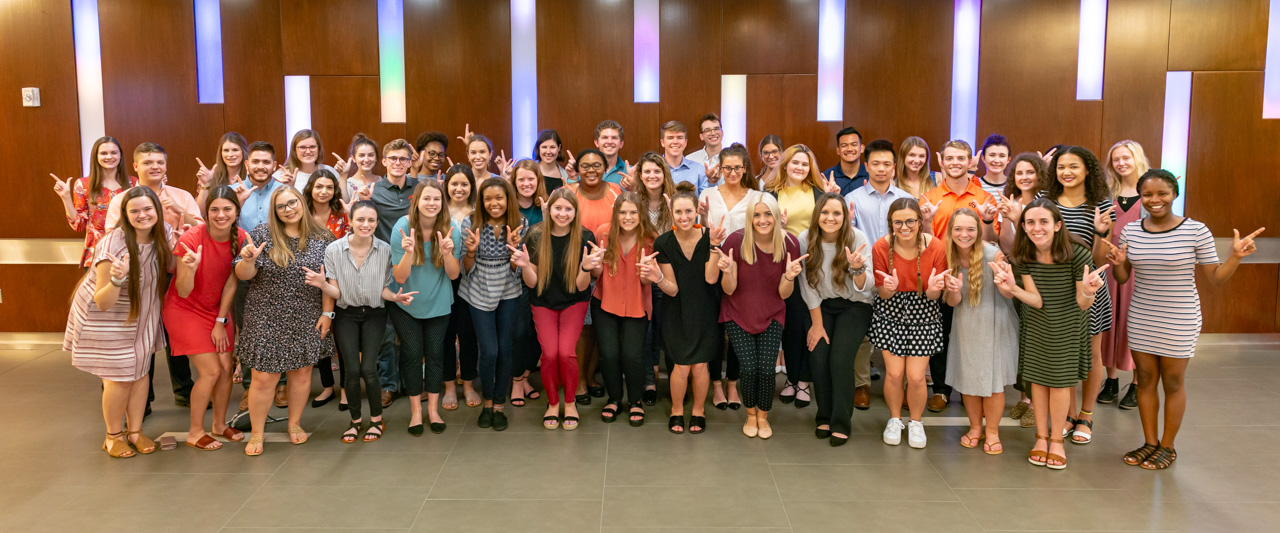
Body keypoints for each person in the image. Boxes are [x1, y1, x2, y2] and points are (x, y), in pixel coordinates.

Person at [1108, 170, 1262, 470]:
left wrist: (1235, 257)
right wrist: (1118, 264)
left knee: (1174, 382)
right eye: (1148, 194)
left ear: (1174, 194)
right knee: (1146, 381)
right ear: (1141, 197)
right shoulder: (1132, 231)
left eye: (1162, 193)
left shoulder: (1195, 230)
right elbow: (1123, 278)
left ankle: (1168, 446)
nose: (1155, 200)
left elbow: (1215, 279)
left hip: (1180, 316)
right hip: (1141, 315)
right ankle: (1149, 443)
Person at [991, 198, 1102, 470]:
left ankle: (1057, 442)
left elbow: (1082, 303)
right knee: (1038, 381)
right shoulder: (1023, 254)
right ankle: (1040, 438)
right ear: (1024, 226)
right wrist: (1012, 288)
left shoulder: (1077, 253)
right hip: (1037, 320)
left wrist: (1088, 290)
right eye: (1030, 222)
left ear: (1057, 225)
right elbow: (1036, 300)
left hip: (1068, 321)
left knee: (1062, 383)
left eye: (1043, 221)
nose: (1036, 227)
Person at [65, 186, 173, 458]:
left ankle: (134, 432)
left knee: (140, 372)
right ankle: (112, 436)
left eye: (148, 209)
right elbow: (103, 301)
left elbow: (171, 265)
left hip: (144, 312)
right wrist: (117, 278)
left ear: (157, 211)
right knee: (119, 377)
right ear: (124, 214)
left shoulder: (164, 234)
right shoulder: (114, 243)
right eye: (134, 210)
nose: (142, 215)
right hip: (108, 316)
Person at [233, 186, 336, 455]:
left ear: (302, 202)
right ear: (275, 211)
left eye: (293, 203)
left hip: (307, 315)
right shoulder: (261, 233)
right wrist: (248, 260)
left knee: (301, 374)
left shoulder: (323, 237)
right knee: (263, 378)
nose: (288, 209)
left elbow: (329, 279)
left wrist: (327, 313)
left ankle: (294, 424)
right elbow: (243, 274)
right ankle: (257, 433)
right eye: (281, 206)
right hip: (265, 315)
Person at [105, 143, 203, 411]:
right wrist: (147, 214)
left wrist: (180, 214)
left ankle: (184, 390)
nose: (155, 167)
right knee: (140, 337)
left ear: (166, 165)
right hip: (136, 276)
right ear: (136, 167)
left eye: (159, 162)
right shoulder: (121, 199)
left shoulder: (180, 196)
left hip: (172, 273)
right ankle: (142, 401)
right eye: (147, 162)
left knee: (175, 334)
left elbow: (201, 229)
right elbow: (112, 234)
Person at [163, 186, 248, 450]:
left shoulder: (241, 237)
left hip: (216, 310)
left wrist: (221, 322)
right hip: (184, 309)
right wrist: (189, 268)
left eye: (227, 209)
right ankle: (195, 431)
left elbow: (232, 284)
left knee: (225, 370)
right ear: (206, 212)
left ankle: (219, 425)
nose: (220, 215)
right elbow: (182, 290)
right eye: (214, 209)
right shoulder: (191, 238)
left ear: (236, 212)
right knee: (210, 371)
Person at [714, 193, 804, 440]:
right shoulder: (735, 240)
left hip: (772, 313)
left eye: (767, 214)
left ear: (776, 216)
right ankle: (750, 414)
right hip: (737, 313)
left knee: (766, 369)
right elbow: (729, 289)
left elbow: (784, 295)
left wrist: (789, 277)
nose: (762, 220)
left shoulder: (790, 243)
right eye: (756, 214)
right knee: (749, 367)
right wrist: (729, 271)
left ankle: (763, 416)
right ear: (749, 216)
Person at [319, 201, 408, 441]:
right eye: (360, 220)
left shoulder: (385, 250)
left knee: (369, 368)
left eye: (371, 220)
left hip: (375, 314)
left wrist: (396, 297)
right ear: (350, 221)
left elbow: (384, 290)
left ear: (377, 223)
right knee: (351, 369)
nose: (365, 225)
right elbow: (336, 293)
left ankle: (377, 421)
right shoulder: (334, 250)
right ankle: (355, 420)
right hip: (346, 314)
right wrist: (322, 284)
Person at [921, 140, 998, 413]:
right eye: (950, 158)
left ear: (971, 162)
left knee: (972, 335)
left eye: (961, 158)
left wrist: (988, 222)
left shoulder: (985, 198)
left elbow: (993, 241)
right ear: (941, 161)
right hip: (942, 274)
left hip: (977, 275)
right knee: (941, 333)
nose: (955, 163)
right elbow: (925, 242)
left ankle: (971, 389)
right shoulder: (929, 198)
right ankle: (941, 390)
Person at [1045, 146, 1114, 445]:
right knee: (1063, 354)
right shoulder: (1044, 202)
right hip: (1054, 289)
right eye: (1061, 167)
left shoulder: (1101, 204)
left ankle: (1086, 414)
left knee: (1091, 354)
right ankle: (1069, 414)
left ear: (1088, 170)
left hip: (1089, 287)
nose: (1067, 172)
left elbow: (1100, 258)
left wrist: (1100, 232)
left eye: (1073, 166)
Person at [643, 183, 721, 434]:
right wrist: (656, 277)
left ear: (696, 211)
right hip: (675, 311)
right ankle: (677, 409)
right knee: (681, 366)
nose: (684, 217)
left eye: (689, 211)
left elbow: (711, 279)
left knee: (700, 365)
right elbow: (672, 289)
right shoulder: (663, 242)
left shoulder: (711, 237)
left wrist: (714, 247)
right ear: (671, 212)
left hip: (706, 310)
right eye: (678, 212)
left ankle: (698, 410)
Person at [517, 188, 598, 430]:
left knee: (566, 353)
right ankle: (553, 403)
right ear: (549, 210)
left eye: (568, 209)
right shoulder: (534, 236)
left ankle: (570, 402)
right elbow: (532, 283)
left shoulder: (585, 237)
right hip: (543, 301)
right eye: (558, 208)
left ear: (575, 212)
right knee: (550, 354)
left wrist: (585, 268)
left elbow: (581, 286)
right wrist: (524, 266)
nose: (562, 214)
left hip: (575, 300)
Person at [765, 145, 839, 407]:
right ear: (784, 164)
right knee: (791, 325)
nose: (799, 167)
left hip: (813, 265)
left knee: (810, 322)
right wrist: (778, 226)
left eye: (805, 164)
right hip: (781, 264)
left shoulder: (819, 193)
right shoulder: (770, 193)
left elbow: (832, 224)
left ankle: (805, 382)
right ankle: (792, 379)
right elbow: (761, 225)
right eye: (795, 162)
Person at [872, 198, 948, 449]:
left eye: (910, 221)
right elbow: (882, 293)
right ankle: (895, 419)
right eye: (898, 222)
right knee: (894, 373)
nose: (905, 227)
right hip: (890, 310)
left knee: (916, 377)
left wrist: (934, 290)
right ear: (890, 223)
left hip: (923, 310)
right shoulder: (881, 247)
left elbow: (934, 295)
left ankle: (916, 422)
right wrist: (889, 289)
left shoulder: (936, 247)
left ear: (920, 221)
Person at [942, 208, 1019, 455]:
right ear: (950, 231)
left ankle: (993, 431)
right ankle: (975, 427)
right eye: (958, 229)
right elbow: (953, 302)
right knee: (969, 378)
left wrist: (1006, 282)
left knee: (994, 382)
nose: (964, 234)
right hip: (966, 323)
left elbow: (1009, 294)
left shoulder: (993, 255)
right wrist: (953, 289)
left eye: (970, 229)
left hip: (994, 321)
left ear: (978, 231)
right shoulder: (949, 257)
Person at [389, 182, 463, 436]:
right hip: (406, 302)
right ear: (416, 201)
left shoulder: (451, 228)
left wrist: (448, 254)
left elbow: (454, 275)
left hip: (438, 303)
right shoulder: (402, 227)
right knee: (411, 353)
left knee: (435, 354)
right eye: (426, 199)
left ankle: (432, 410)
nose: (432, 203)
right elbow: (399, 278)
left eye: (437, 199)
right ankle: (416, 413)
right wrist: (409, 252)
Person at [799, 193, 873, 446]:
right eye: (825, 212)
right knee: (818, 357)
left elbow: (866, 287)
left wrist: (856, 269)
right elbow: (807, 285)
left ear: (846, 216)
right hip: (822, 306)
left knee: (840, 360)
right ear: (817, 215)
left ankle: (841, 421)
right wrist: (817, 325)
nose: (830, 218)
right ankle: (825, 415)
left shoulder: (857, 238)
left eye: (837, 213)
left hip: (855, 306)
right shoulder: (805, 239)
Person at [846, 140, 913, 408]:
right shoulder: (852, 199)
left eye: (887, 164)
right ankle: (861, 385)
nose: (881, 169)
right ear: (866, 166)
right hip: (864, 272)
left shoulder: (906, 200)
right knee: (862, 334)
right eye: (875, 163)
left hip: (899, 274)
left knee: (902, 331)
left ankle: (905, 387)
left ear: (894, 167)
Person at [228, 141, 293, 409]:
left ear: (274, 165)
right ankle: (249, 387)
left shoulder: (285, 192)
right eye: (256, 161)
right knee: (248, 329)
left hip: (279, 269)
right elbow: (219, 225)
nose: (261, 166)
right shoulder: (234, 192)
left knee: (282, 327)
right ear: (247, 164)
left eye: (267, 162)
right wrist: (237, 203)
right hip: (245, 267)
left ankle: (281, 385)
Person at [460, 177, 526, 431]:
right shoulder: (471, 223)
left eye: (499, 198)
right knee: (488, 350)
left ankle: (499, 404)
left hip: (508, 288)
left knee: (505, 348)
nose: (493, 203)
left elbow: (516, 269)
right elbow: (466, 269)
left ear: (508, 199)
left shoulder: (520, 223)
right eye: (488, 199)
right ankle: (487, 401)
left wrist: (514, 251)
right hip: (478, 287)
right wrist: (471, 252)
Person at [698, 143, 760, 410]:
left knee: (738, 329)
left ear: (744, 168)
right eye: (727, 167)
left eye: (737, 167)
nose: (732, 172)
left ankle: (733, 384)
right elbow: (698, 231)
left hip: (745, 268)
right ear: (719, 169)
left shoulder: (758, 196)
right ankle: (715, 384)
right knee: (714, 329)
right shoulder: (707, 194)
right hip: (712, 264)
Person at [1097, 140, 1151, 410]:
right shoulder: (1108, 194)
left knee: (1135, 326)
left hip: (1139, 270)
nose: (1121, 163)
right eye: (1116, 159)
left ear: (1137, 158)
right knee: (1111, 321)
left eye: (1126, 158)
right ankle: (1112, 379)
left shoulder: (1150, 191)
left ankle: (1137, 383)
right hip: (1110, 266)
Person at [371, 139, 420, 408]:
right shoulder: (373, 190)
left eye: (403, 158)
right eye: (393, 158)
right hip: (383, 266)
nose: (399, 163)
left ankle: (416, 381)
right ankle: (389, 384)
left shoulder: (420, 188)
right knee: (386, 331)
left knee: (416, 325)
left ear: (410, 162)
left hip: (416, 264)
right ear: (385, 161)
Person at [570, 149, 622, 403]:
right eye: (585, 166)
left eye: (596, 165)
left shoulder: (616, 191)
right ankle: (579, 381)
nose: (591, 170)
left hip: (610, 270)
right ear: (577, 169)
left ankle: (591, 376)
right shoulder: (568, 192)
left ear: (605, 167)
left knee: (601, 328)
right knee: (582, 328)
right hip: (576, 270)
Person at [52, 135, 136, 268]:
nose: (109, 157)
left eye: (114, 152)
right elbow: (78, 225)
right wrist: (65, 197)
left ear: (120, 155)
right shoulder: (84, 185)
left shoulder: (133, 183)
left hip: (128, 251)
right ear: (96, 157)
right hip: (97, 253)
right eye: (103, 153)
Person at [303, 169, 350, 407]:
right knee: (318, 335)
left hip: (338, 282)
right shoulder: (300, 214)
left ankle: (344, 389)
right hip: (308, 281)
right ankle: (327, 387)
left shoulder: (342, 215)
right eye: (319, 186)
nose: (324, 191)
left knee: (341, 338)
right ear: (311, 187)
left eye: (329, 187)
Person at [634, 153, 676, 402]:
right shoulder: (633, 202)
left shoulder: (673, 202)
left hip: (669, 276)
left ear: (664, 175)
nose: (652, 176)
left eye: (657, 172)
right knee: (646, 333)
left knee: (669, 332)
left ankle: (675, 382)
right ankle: (649, 383)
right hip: (642, 277)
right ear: (640, 176)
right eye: (647, 171)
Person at [441, 164, 481, 409]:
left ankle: (467, 384)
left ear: (471, 187)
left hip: (470, 282)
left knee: (468, 335)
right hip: (441, 282)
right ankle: (448, 387)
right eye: (454, 183)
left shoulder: (478, 213)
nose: (459, 188)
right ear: (446, 186)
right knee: (445, 336)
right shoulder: (438, 211)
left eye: (464, 184)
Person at [508, 161, 545, 407]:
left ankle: (525, 378)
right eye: (521, 179)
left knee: (535, 334)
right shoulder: (508, 210)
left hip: (544, 278)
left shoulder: (546, 208)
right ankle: (516, 382)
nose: (526, 184)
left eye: (531, 179)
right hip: (514, 281)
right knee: (519, 332)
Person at [996, 153, 1050, 259]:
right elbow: (1007, 249)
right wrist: (1006, 216)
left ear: (1040, 175)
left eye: (1030, 172)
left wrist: (1018, 220)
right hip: (1016, 262)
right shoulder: (1008, 203)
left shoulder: (1048, 204)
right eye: (1019, 173)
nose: (1024, 177)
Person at [195, 132, 249, 211]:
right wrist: (205, 184)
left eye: (235, 150)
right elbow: (200, 214)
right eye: (226, 150)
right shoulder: (209, 175)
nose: (230, 154)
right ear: (221, 153)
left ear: (243, 151)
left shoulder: (251, 176)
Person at [659, 121, 713, 195]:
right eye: (670, 138)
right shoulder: (653, 169)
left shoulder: (699, 170)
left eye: (679, 137)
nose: (675, 142)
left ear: (685, 142)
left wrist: (712, 181)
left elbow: (708, 198)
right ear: (662, 142)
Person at [823, 127, 869, 195]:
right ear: (838, 150)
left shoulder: (871, 176)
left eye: (854, 145)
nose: (849, 149)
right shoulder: (827, 178)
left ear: (862, 148)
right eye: (844, 145)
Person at [334, 134, 380, 201]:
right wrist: (343, 176)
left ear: (376, 157)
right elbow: (344, 207)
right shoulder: (348, 184)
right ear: (354, 158)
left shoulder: (382, 180)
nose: (366, 160)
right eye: (361, 155)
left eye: (370, 155)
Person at [686, 113, 724, 182]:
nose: (713, 133)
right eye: (707, 130)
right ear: (701, 136)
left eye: (716, 129)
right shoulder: (690, 160)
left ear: (722, 133)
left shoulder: (731, 159)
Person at [593, 120, 629, 185]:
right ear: (596, 143)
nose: (609, 142)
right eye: (605, 137)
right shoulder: (584, 169)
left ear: (621, 143)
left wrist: (634, 188)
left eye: (614, 138)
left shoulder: (631, 172)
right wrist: (572, 178)